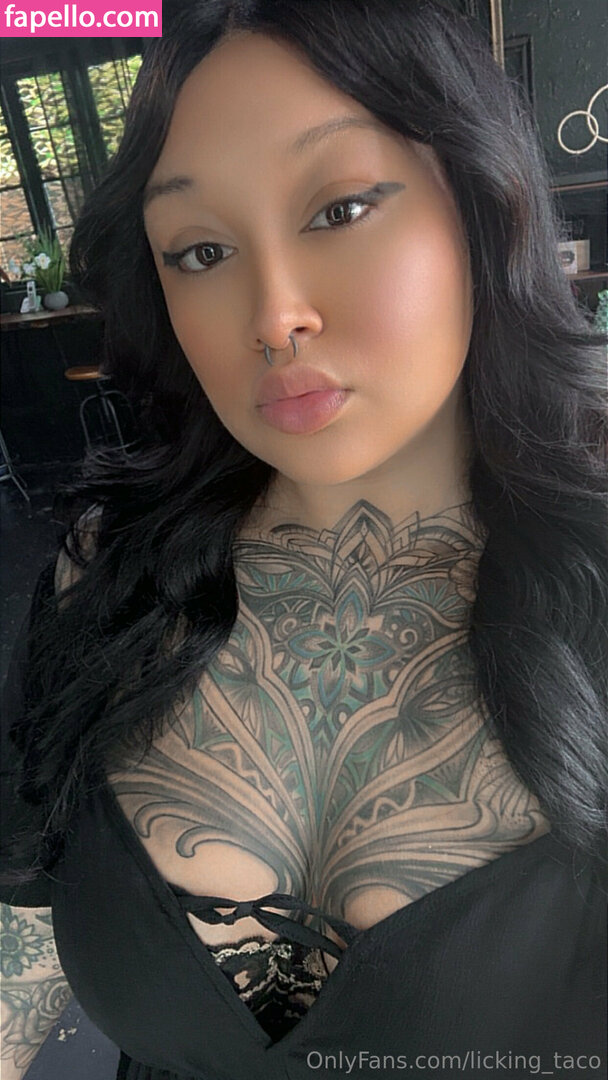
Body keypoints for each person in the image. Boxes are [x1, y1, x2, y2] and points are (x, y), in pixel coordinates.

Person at [1, 2, 606, 1078]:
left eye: (340, 208)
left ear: (481, 203)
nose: (273, 315)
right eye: (201, 250)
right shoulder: (102, 576)